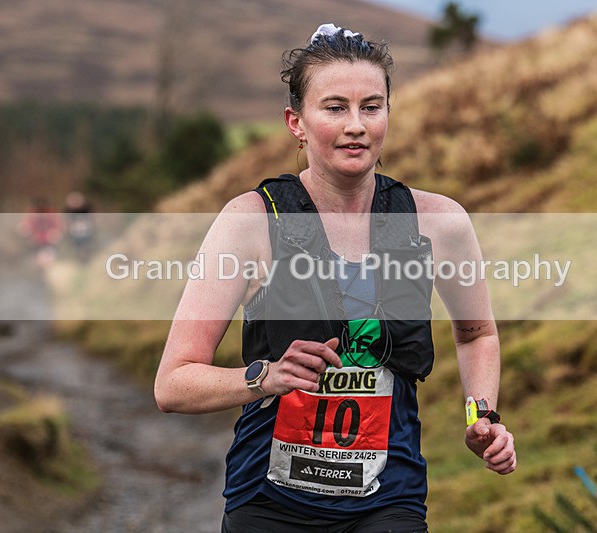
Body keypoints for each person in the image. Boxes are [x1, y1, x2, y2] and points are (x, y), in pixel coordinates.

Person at [155, 23, 516, 532]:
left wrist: (483, 417)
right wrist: (265, 377)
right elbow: (173, 383)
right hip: (269, 502)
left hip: (389, 500)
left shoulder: (439, 222)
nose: (356, 125)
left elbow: (477, 334)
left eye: (371, 107)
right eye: (334, 108)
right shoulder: (251, 222)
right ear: (296, 122)